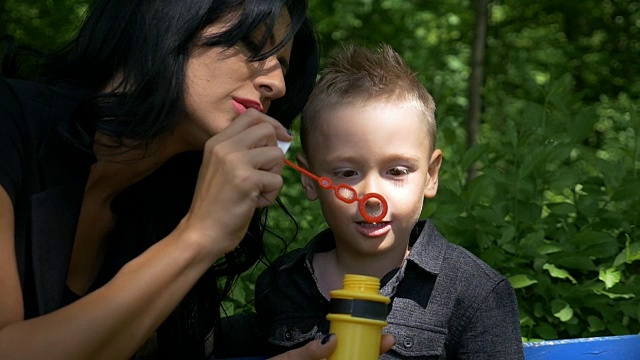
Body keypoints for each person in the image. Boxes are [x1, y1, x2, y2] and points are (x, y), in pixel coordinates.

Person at [0, 0, 384, 358]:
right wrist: (199, 235)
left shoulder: (168, 195)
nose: (278, 85)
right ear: (166, 20)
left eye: (282, 65)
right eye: (251, 46)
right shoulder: (10, 122)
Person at [253, 44, 525, 359]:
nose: (372, 197)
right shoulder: (283, 283)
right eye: (347, 172)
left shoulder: (474, 293)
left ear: (430, 175)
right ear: (309, 179)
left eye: (396, 171)